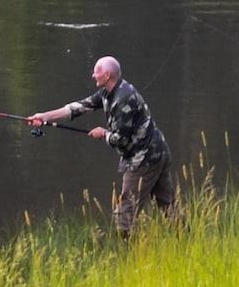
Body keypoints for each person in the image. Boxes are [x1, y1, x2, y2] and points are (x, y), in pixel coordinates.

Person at [28, 55, 174, 236]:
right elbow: (79, 107)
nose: (93, 75)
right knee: (169, 207)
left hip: (144, 159)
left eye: (96, 71)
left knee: (124, 217)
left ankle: (131, 251)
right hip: (158, 152)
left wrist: (103, 133)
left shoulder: (123, 99)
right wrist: (44, 116)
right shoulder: (108, 92)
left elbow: (122, 140)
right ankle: (184, 238)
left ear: (107, 75)